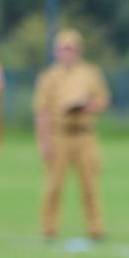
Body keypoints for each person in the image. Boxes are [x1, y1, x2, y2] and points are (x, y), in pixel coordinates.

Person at [33, 30, 110, 242]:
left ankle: (96, 229)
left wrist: (86, 106)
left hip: (85, 135)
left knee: (90, 186)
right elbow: (42, 113)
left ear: (79, 50)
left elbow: (103, 101)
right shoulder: (49, 77)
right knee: (54, 186)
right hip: (60, 135)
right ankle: (49, 228)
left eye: (71, 48)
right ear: (56, 51)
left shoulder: (90, 73)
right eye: (63, 49)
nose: (67, 53)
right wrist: (44, 141)